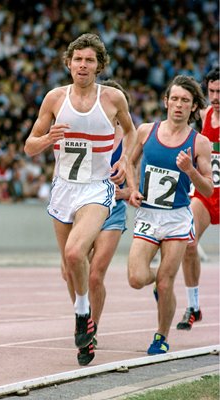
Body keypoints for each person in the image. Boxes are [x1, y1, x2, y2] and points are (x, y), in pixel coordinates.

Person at [24, 33, 137, 365]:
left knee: (77, 252)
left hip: (95, 188)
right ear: (68, 63)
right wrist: (48, 138)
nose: (83, 65)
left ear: (99, 65)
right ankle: (86, 325)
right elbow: (29, 146)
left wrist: (124, 159)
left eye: (89, 60)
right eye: (78, 59)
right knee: (68, 267)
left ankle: (82, 317)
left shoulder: (113, 98)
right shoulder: (55, 99)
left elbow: (130, 132)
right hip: (63, 188)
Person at [127, 75, 213, 355]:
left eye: (185, 101)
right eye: (174, 99)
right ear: (165, 102)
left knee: (166, 282)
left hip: (177, 218)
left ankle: (161, 336)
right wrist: (131, 189)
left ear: (193, 107)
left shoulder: (199, 143)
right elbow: (128, 162)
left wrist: (190, 170)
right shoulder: (146, 131)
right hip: (149, 216)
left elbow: (209, 189)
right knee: (137, 278)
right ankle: (160, 285)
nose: (178, 105)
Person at [60, 79, 130, 364]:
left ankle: (93, 330)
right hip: (83, 206)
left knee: (95, 273)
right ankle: (83, 314)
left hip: (112, 209)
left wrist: (124, 188)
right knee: (70, 270)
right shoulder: (86, 134)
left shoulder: (127, 142)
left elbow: (134, 187)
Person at [177, 67, 220, 331]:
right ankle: (193, 306)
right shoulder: (204, 115)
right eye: (212, 91)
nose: (216, 96)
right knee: (188, 242)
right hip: (207, 192)